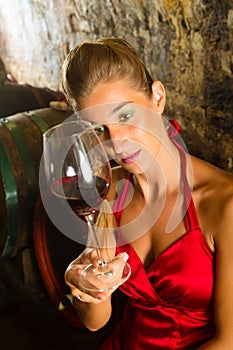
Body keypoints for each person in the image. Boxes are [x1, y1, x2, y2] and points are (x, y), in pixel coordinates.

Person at [61, 37, 233, 349]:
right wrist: (84, 287)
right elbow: (94, 321)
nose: (117, 143)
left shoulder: (225, 203)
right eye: (99, 129)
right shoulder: (108, 188)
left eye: (125, 116)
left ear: (157, 97)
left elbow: (229, 340)